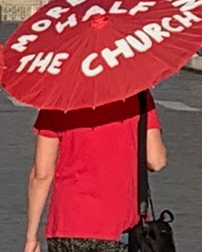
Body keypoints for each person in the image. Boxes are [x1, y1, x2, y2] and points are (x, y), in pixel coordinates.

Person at [25, 91, 166, 252]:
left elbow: (41, 176)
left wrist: (31, 237)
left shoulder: (59, 97)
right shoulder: (138, 95)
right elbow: (156, 161)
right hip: (122, 227)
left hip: (68, 225)